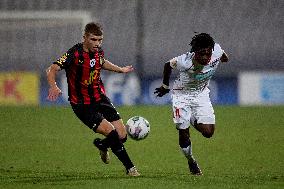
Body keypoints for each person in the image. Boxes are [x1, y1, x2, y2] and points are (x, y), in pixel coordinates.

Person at [46, 22, 140, 176]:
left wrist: (120, 70)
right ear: (85, 38)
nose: (97, 43)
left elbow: (101, 62)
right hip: (83, 105)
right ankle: (130, 168)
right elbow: (52, 69)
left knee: (122, 135)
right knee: (111, 132)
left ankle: (102, 145)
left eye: (100, 40)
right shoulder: (74, 54)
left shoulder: (98, 51)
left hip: (100, 98)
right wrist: (53, 86)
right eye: (94, 40)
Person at [154, 33, 229, 175]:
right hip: (181, 96)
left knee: (208, 133)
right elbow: (167, 65)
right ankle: (191, 161)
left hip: (201, 94)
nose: (205, 58)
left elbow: (223, 54)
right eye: (202, 54)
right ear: (195, 53)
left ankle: (189, 118)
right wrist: (164, 86)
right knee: (183, 132)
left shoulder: (216, 51)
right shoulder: (184, 61)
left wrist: (224, 57)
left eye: (208, 54)